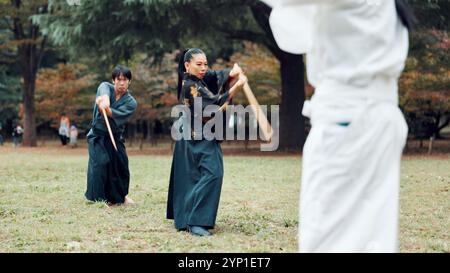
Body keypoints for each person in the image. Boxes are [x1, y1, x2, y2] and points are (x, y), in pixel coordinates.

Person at [267, 0, 415, 252]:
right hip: (369, 119)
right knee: (368, 240)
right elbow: (296, 36)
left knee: (328, 238)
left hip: (348, 123)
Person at [166, 48, 247, 236]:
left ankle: (189, 219)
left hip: (200, 134)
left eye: (205, 64)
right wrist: (236, 87)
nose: (203, 68)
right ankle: (195, 222)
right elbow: (213, 104)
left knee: (196, 176)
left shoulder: (199, 80)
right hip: (195, 136)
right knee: (213, 173)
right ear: (187, 66)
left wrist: (230, 73)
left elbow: (214, 76)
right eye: (198, 64)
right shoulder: (190, 86)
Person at [85, 65, 137, 206]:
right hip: (98, 136)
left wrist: (106, 107)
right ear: (113, 80)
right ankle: (98, 199)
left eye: (125, 80)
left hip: (115, 137)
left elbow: (111, 113)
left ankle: (120, 197)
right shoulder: (105, 87)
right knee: (100, 163)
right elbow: (104, 92)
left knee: (121, 166)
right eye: (118, 79)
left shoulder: (131, 102)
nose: (121, 83)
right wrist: (105, 99)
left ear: (129, 81)